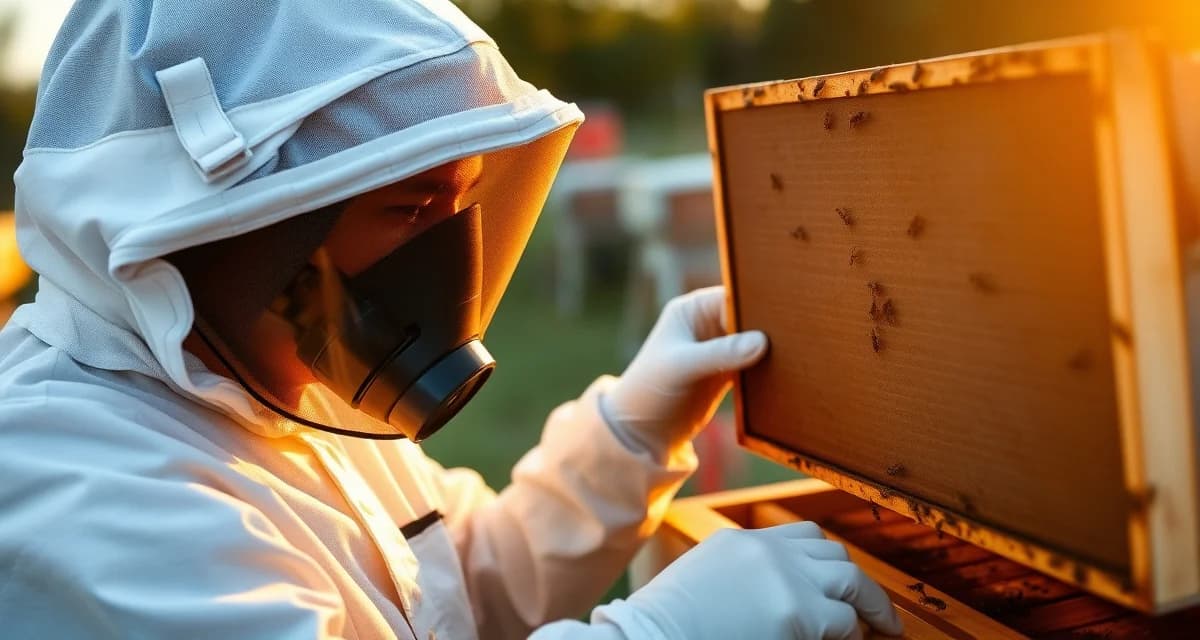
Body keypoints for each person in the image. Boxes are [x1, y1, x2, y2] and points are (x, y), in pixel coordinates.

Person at [0, 2, 902, 639]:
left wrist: (628, 434)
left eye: (462, 202)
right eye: (412, 206)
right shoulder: (73, 492)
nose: (452, 258)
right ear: (232, 236)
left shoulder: (272, 384)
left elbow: (464, 589)